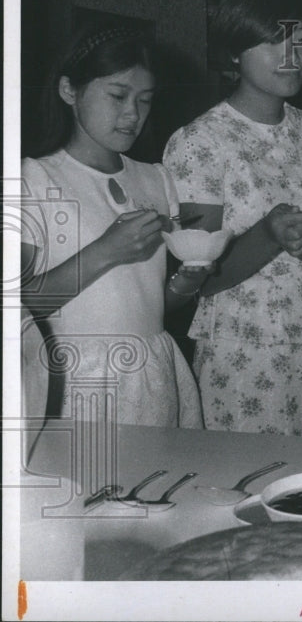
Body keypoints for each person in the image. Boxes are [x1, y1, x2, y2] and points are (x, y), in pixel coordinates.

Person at [163, 0, 302, 437]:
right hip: (246, 344)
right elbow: (200, 279)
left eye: (301, 43)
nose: (292, 57)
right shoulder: (199, 142)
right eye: (274, 43)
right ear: (234, 53)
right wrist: (267, 235)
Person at [20, 23, 206, 427]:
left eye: (145, 100)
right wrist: (105, 251)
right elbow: (19, 305)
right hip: (74, 377)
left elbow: (147, 303)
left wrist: (186, 283)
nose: (132, 114)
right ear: (70, 90)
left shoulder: (156, 178)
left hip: (152, 372)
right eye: (118, 96)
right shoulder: (35, 180)